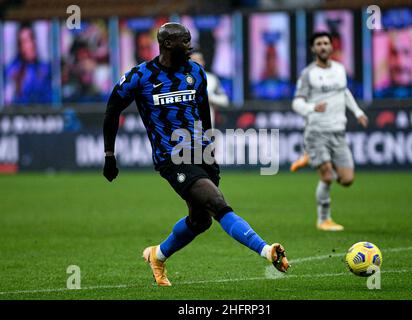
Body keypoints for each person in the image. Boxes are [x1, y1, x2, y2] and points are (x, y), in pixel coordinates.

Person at [102, 22, 289, 286]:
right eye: (184, 40)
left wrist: (210, 150)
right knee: (217, 203)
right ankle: (266, 250)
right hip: (172, 158)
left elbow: (203, 114)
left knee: (200, 221)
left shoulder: (196, 73)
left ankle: (157, 255)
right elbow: (112, 110)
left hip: (201, 153)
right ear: (167, 44)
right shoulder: (140, 76)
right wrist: (110, 155)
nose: (189, 45)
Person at [291, 32, 368, 232]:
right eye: (319, 44)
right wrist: (311, 108)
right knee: (327, 176)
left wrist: (358, 111)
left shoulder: (340, 69)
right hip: (316, 131)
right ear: (313, 49)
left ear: (331, 47)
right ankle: (323, 219)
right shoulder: (308, 73)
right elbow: (296, 102)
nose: (323, 46)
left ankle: (309, 156)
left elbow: (344, 92)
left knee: (347, 180)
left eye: (326, 43)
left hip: (338, 131)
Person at [5, 23, 52, 105]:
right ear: (19, 46)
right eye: (24, 41)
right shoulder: (12, 70)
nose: (30, 44)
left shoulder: (46, 69)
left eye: (31, 38)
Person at [189, 49, 229, 128]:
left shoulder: (211, 79)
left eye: (199, 60)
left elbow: (225, 100)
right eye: (193, 60)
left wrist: (210, 98)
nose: (196, 63)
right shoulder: (181, 80)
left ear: (203, 62)